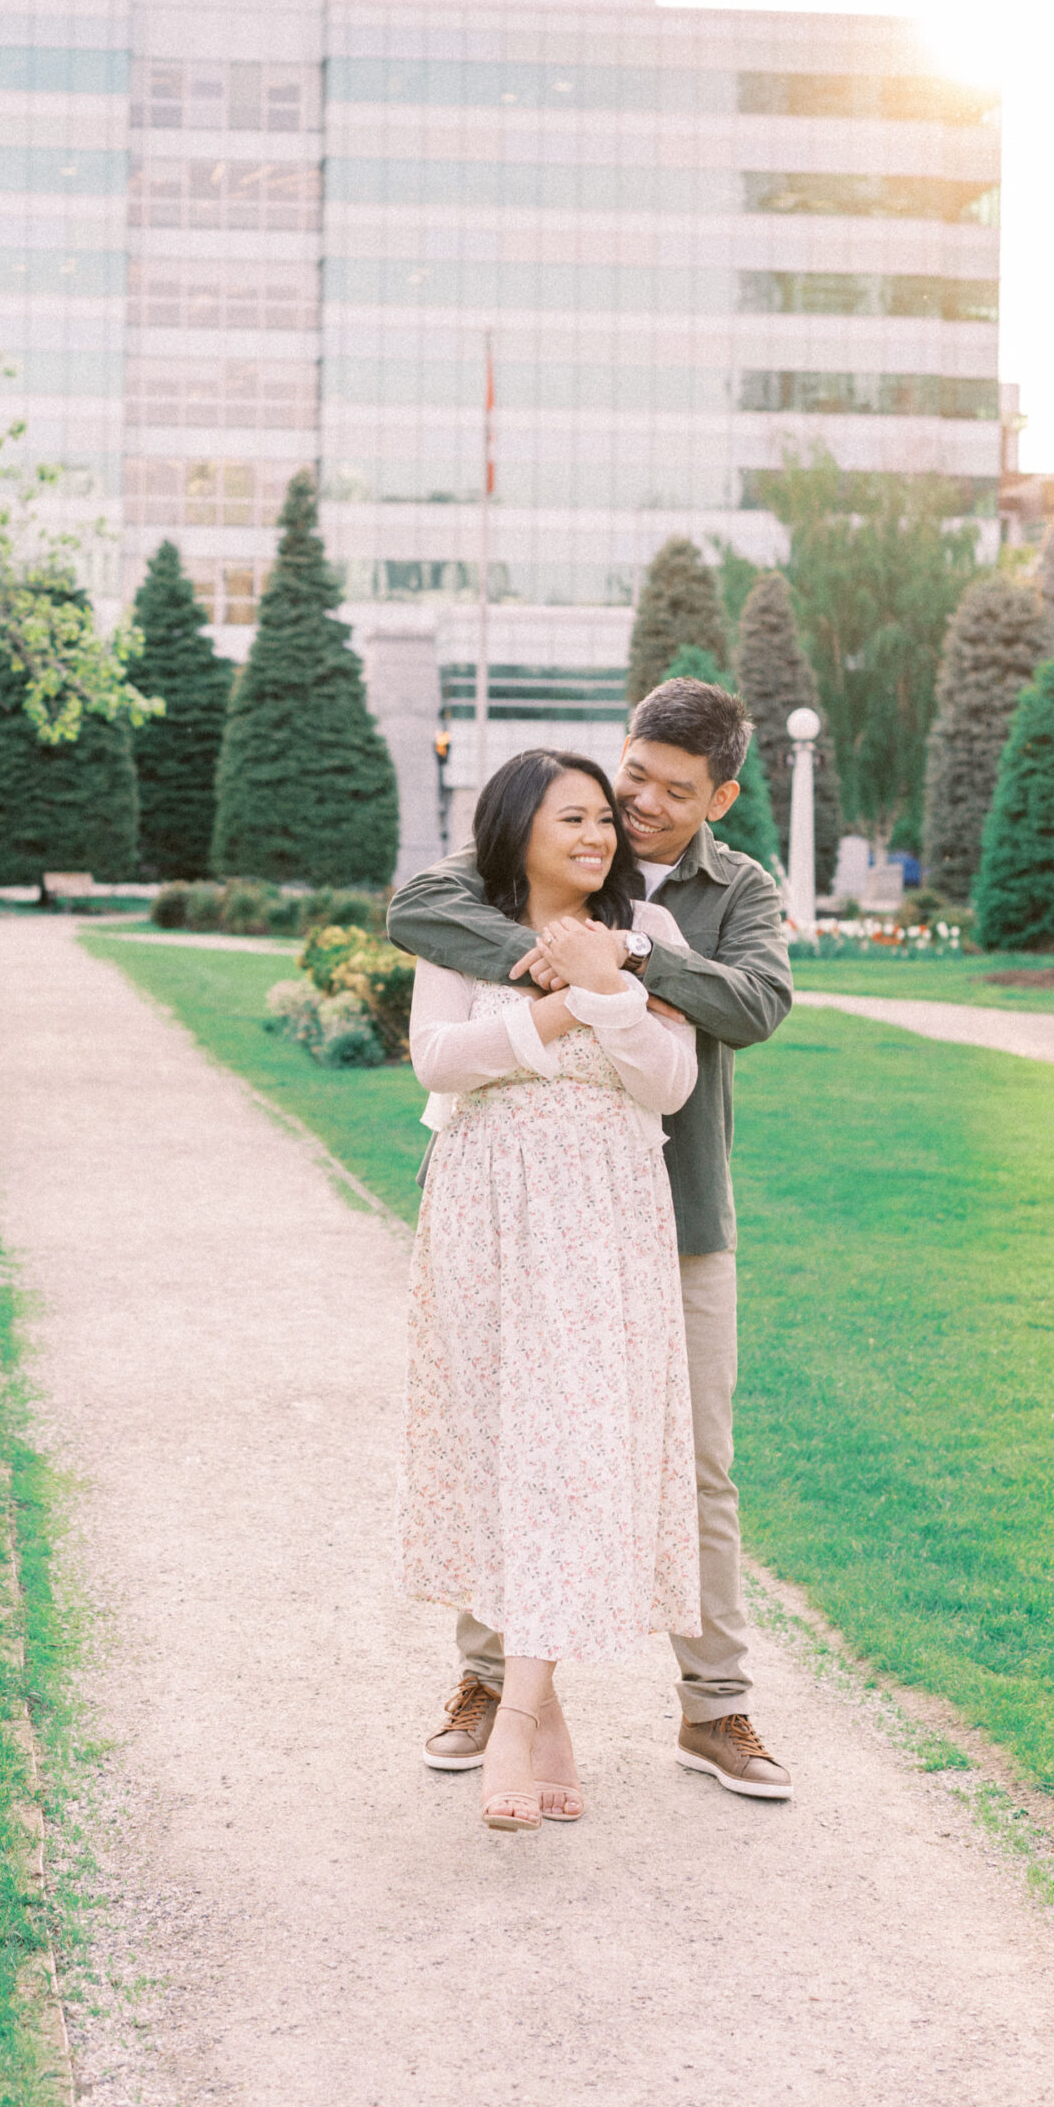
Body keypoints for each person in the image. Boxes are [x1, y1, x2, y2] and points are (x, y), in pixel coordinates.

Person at [388, 675, 796, 1800]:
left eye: (672, 793)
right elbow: (418, 915)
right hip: (511, 1208)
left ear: (721, 796)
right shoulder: (500, 869)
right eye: (629, 782)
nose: (639, 810)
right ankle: (493, 1684)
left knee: (692, 1459)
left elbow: (754, 1009)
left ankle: (714, 1708)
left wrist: (627, 964)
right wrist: (552, 955)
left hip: (669, 1209)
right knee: (502, 1431)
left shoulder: (726, 893)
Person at [398, 747, 702, 1832]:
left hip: (604, 1214)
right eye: (571, 817)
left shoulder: (649, 936)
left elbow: (669, 1078)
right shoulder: (463, 923)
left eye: (603, 821)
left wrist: (612, 985)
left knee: (575, 1451)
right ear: (518, 825)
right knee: (508, 1450)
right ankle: (549, 1709)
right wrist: (568, 1007)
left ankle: (516, 1715)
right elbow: (438, 1057)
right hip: (488, 1208)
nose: (598, 835)